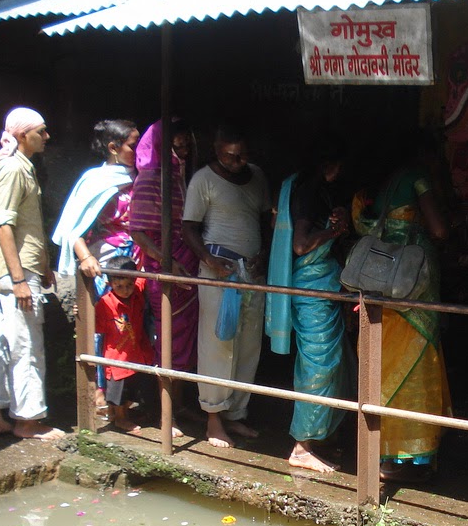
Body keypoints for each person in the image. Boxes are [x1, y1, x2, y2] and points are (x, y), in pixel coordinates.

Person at [351, 134, 451, 483]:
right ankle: (406, 456)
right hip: (414, 283)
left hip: (385, 281)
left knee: (385, 361)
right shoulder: (419, 177)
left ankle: (383, 448)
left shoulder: (388, 182)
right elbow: (438, 229)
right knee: (418, 362)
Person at [0, 107, 66, 441]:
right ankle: (28, 421)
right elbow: (4, 224)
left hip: (15, 269)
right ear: (21, 135)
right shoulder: (14, 168)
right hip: (17, 272)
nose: (46, 137)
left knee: (3, 343)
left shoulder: (13, 166)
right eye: (40, 131)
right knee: (28, 345)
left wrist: (42, 265)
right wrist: (19, 279)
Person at [183, 124, 271, 448]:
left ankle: (236, 415)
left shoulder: (257, 176)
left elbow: (264, 219)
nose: (237, 161)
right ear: (218, 152)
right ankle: (213, 419)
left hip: (253, 274)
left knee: (249, 344)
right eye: (230, 156)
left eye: (242, 155)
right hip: (219, 271)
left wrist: (264, 254)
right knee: (218, 343)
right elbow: (188, 228)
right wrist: (208, 259)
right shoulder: (203, 180)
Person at [266, 138, 351, 473]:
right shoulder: (310, 194)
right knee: (319, 367)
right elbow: (302, 245)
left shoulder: (309, 190)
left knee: (332, 363)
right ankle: (302, 447)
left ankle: (320, 437)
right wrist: (332, 233)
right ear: (329, 165)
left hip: (321, 287)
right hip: (312, 290)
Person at [52, 119, 142, 413]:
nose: (139, 150)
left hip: (138, 260)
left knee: (136, 327)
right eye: (133, 144)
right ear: (113, 148)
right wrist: (85, 257)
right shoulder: (95, 180)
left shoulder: (143, 176)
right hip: (106, 261)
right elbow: (73, 226)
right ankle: (100, 392)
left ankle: (128, 393)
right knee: (106, 328)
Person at [128, 120, 200, 415]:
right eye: (176, 146)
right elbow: (138, 232)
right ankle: (167, 415)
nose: (182, 152)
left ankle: (180, 405)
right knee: (168, 340)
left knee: (187, 341)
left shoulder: (182, 175)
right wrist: (167, 261)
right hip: (166, 268)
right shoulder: (149, 179)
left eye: (186, 145)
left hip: (188, 267)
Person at [94, 259, 156, 434]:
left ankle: (121, 414)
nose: (125, 290)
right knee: (118, 390)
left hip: (138, 351)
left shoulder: (137, 293)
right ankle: (120, 418)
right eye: (119, 286)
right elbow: (95, 326)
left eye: (129, 284)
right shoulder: (106, 304)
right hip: (117, 356)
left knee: (137, 385)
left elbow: (144, 276)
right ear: (110, 283)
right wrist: (81, 311)